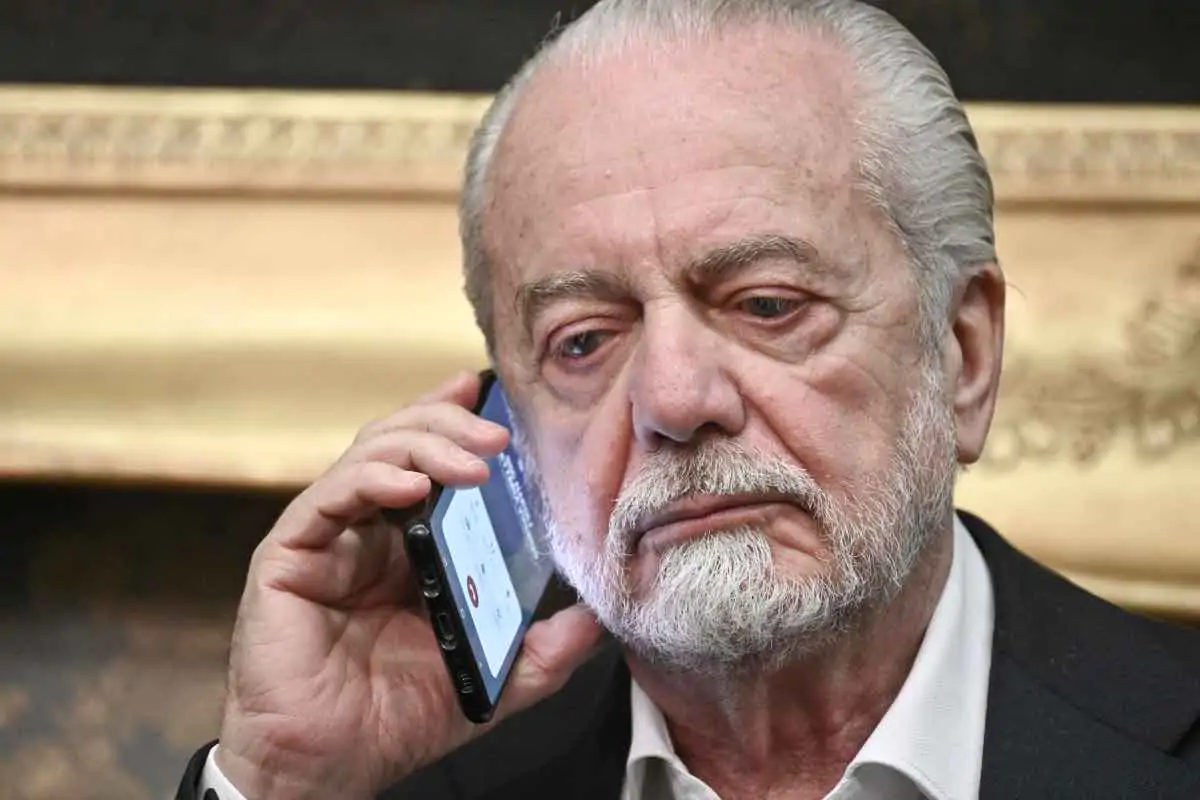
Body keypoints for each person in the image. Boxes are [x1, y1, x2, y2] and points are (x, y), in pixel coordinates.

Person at [177, 1, 1200, 798]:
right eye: (583, 340)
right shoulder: (410, 783)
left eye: (767, 304)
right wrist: (282, 784)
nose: (672, 399)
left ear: (963, 354)